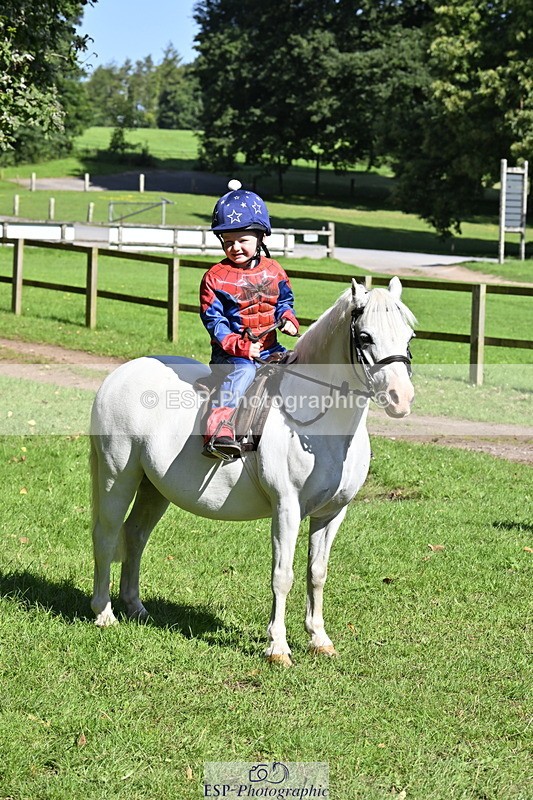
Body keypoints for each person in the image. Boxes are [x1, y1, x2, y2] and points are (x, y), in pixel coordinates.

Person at [200, 180, 299, 459]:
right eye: (228, 242)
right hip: (231, 356)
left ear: (261, 238)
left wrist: (288, 318)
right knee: (243, 373)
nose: (235, 248)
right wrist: (241, 347)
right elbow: (214, 321)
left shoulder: (275, 270)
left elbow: (284, 301)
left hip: (270, 348)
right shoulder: (214, 278)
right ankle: (217, 429)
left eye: (242, 240)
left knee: (304, 366)